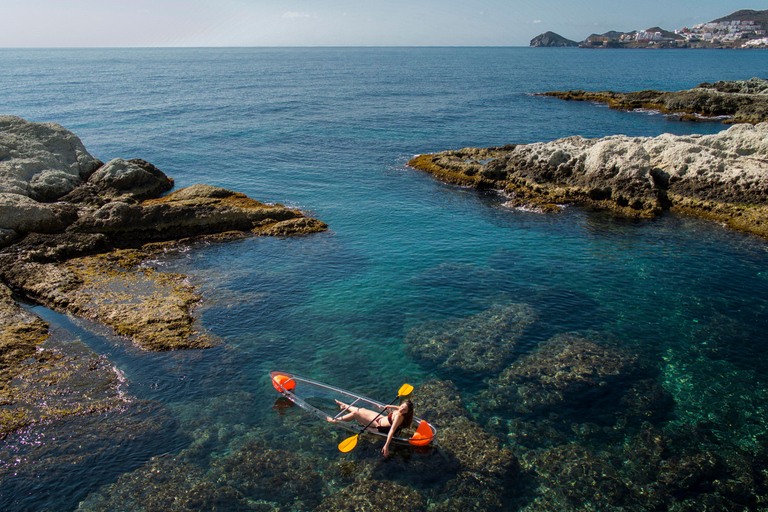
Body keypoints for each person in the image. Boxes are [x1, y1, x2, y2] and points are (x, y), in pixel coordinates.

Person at [329, 399, 414, 457]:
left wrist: (386, 446)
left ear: (407, 412)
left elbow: (391, 431)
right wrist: (389, 406)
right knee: (361, 410)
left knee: (355, 414)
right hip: (380, 418)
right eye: (402, 406)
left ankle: (336, 420)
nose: (401, 409)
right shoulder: (401, 410)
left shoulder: (399, 417)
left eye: (404, 409)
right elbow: (399, 408)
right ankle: (344, 406)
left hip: (377, 425)